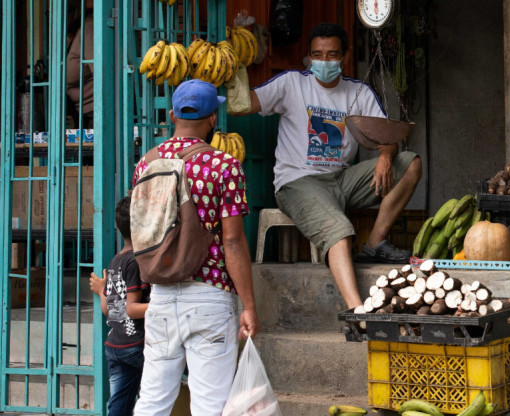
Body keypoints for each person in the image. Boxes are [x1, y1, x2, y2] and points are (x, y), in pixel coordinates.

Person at [239, 22, 423, 309]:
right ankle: (356, 311)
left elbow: (386, 134)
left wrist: (386, 156)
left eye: (332, 55)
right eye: (318, 55)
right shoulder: (291, 83)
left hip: (341, 179)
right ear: (309, 56)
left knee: (410, 163)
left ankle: (374, 244)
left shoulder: (357, 92)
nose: (324, 62)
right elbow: (245, 103)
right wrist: (234, 64)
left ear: (345, 57)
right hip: (298, 182)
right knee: (340, 227)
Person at [131, 79, 259, 415]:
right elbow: (232, 240)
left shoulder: (146, 163)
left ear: (172, 114)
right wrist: (248, 304)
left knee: (153, 401)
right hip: (210, 296)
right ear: (213, 119)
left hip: (160, 295)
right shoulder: (224, 166)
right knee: (210, 405)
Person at [89, 195, 149, 416]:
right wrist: (163, 307)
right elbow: (131, 309)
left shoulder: (117, 260)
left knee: (119, 404)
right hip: (137, 346)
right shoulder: (136, 260)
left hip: (115, 347)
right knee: (157, 393)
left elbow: (110, 310)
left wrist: (101, 290)